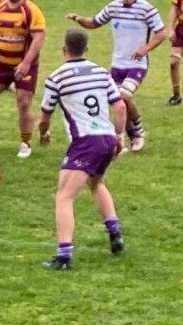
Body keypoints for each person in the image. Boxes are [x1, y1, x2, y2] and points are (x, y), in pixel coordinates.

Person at [38, 29, 127, 270]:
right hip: (106, 138)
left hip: (85, 141)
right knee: (96, 183)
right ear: (86, 49)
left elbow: (44, 115)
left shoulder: (57, 78)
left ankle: (64, 256)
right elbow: (119, 107)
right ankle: (115, 233)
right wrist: (119, 137)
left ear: (63, 49)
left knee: (64, 197)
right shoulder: (101, 72)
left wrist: (43, 133)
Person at [67, 0, 167, 153]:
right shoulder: (113, 7)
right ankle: (128, 136)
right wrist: (80, 19)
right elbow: (95, 22)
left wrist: (144, 49)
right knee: (118, 101)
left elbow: (161, 33)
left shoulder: (147, 9)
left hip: (137, 64)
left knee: (124, 96)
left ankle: (138, 132)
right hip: (116, 64)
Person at [0, 0, 46, 158]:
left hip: (25, 65)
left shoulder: (31, 11)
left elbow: (38, 38)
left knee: (23, 102)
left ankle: (25, 143)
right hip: (2, 64)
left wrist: (26, 63)